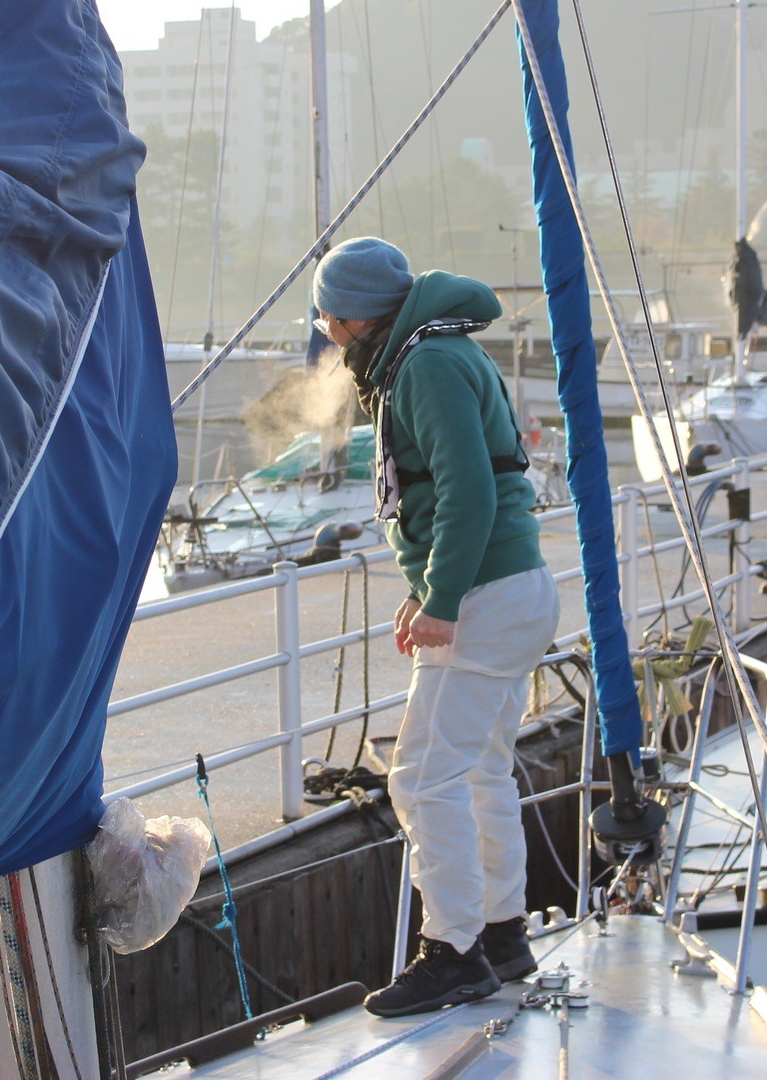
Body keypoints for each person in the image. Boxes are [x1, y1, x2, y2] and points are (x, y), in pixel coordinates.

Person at [310, 236, 560, 1018]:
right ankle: (503, 933)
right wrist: (426, 591)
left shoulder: (425, 365)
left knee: (420, 777)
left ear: (352, 316)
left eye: (326, 319)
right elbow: (453, 492)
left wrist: (444, 599)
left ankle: (453, 951)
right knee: (480, 767)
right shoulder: (432, 352)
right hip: (510, 587)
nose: (327, 334)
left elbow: (468, 491)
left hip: (486, 596)